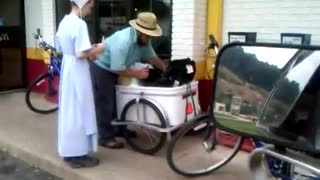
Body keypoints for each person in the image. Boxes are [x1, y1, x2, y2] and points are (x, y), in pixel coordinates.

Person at [90, 12, 167, 149]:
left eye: (150, 35)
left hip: (118, 68)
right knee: (105, 103)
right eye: (147, 35)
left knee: (119, 101)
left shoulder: (144, 41)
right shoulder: (123, 41)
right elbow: (117, 67)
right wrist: (136, 74)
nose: (149, 38)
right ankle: (105, 137)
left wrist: (165, 69)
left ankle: (119, 129)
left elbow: (153, 58)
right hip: (102, 68)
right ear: (138, 31)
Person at [55, 0, 104, 168]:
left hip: (67, 68)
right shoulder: (79, 24)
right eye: (91, 6)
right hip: (78, 71)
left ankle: (69, 152)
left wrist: (88, 50)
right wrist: (99, 48)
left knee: (70, 110)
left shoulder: (63, 21)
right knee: (80, 110)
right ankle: (78, 155)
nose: (91, 9)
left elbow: (62, 48)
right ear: (83, 4)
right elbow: (80, 53)